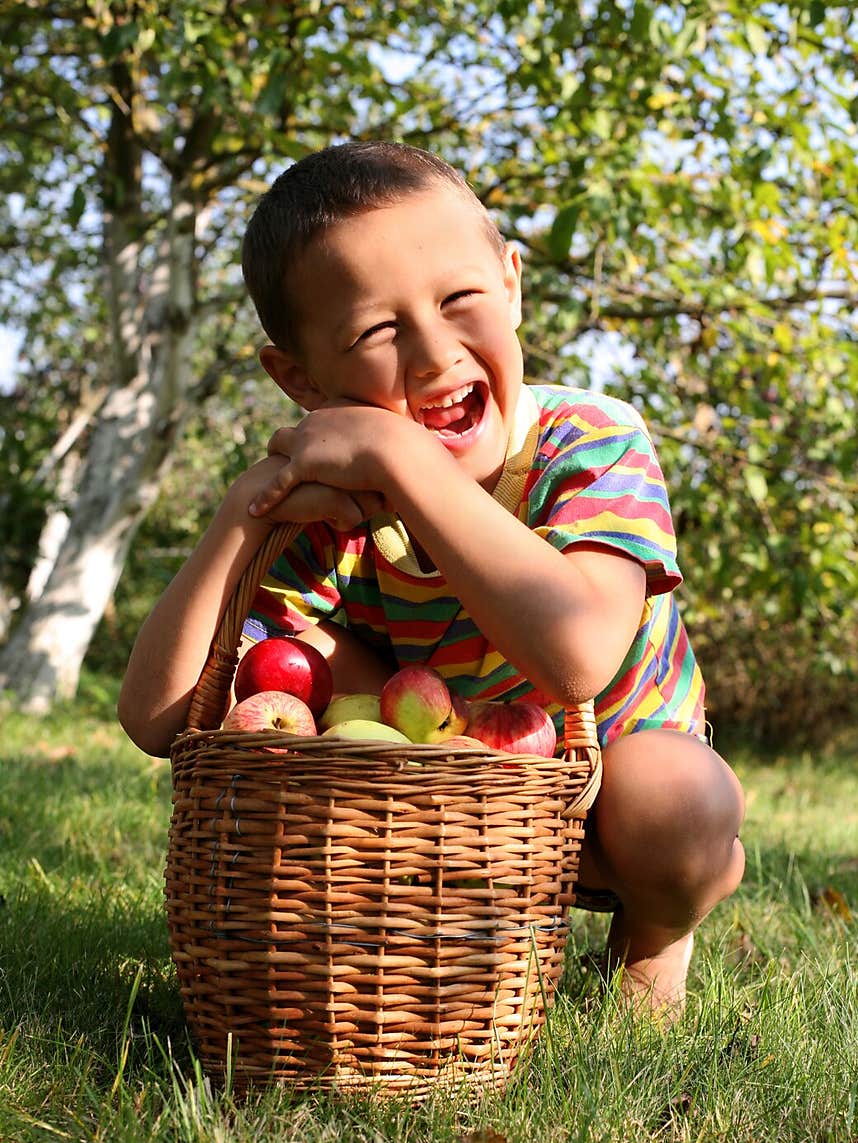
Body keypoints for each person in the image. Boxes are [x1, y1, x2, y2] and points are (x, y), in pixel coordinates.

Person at [118, 139, 745, 1021]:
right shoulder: (336, 509)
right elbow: (159, 716)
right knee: (290, 655)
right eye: (377, 330)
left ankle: (653, 932)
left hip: (610, 803)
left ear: (513, 283)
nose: (434, 352)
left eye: (460, 300)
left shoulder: (591, 442)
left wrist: (404, 461)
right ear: (300, 379)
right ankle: (429, 936)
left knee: (680, 799)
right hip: (446, 809)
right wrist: (240, 517)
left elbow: (576, 659)